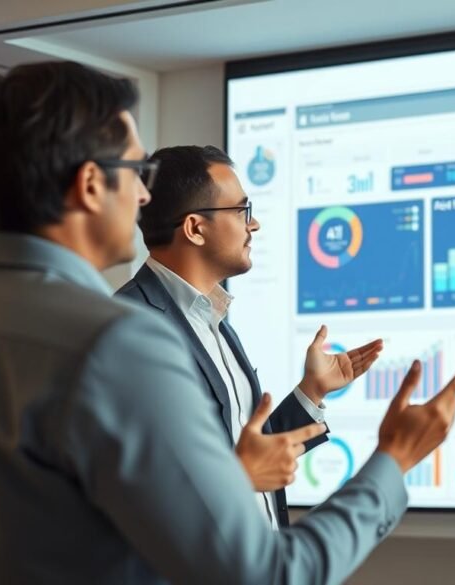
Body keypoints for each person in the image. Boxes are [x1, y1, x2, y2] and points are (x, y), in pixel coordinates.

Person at [0, 60, 455, 585]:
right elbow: (267, 573)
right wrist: (394, 459)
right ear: (89, 185)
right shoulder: (118, 343)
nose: (144, 197)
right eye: (133, 172)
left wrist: (308, 397)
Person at [114, 145, 381, 529]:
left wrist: (311, 392)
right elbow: (139, 489)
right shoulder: (129, 327)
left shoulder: (214, 318)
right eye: (242, 211)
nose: (253, 225)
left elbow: (248, 455)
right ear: (195, 228)